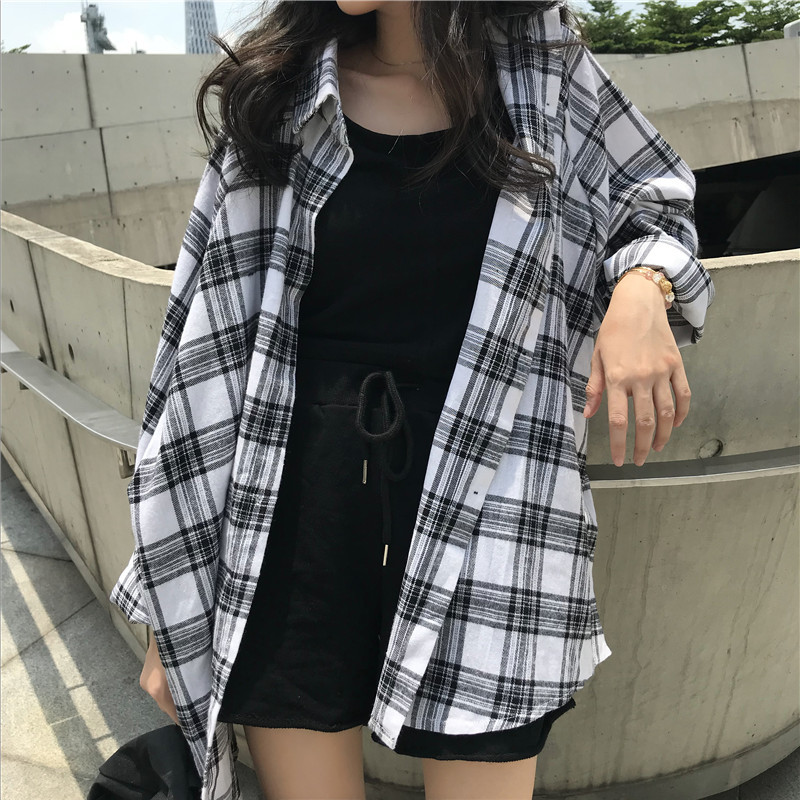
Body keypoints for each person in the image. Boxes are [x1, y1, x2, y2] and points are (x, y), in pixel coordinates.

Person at [112, 2, 715, 799]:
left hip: (493, 517)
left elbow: (656, 198)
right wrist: (171, 604)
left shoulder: (548, 78)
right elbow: (194, 360)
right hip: (290, 527)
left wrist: (643, 287)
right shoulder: (280, 96)